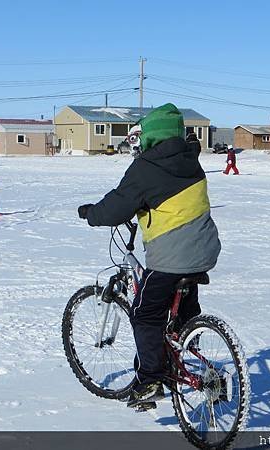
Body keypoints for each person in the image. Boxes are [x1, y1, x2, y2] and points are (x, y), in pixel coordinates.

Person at [77, 103, 221, 410]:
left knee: (144, 314)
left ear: (151, 136)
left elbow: (118, 205)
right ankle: (186, 335)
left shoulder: (146, 168)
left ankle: (150, 381)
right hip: (206, 250)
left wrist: (92, 214)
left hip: (172, 257)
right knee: (179, 299)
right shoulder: (190, 160)